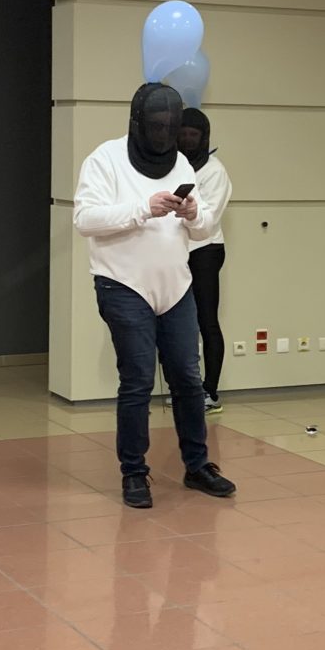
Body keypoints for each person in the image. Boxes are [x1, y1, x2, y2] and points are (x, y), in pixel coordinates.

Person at [74, 83, 236, 510]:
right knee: (138, 380)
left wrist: (193, 213)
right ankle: (133, 472)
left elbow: (203, 231)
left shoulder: (180, 162)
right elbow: (85, 219)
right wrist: (143, 207)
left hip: (176, 287)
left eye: (170, 125)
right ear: (138, 123)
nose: (163, 133)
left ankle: (197, 466)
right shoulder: (105, 159)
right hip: (123, 285)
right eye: (156, 125)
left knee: (187, 378)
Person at [177, 107, 232, 414]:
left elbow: (208, 219)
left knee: (206, 321)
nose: (187, 140)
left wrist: (183, 214)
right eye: (182, 134)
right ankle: (186, 389)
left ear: (204, 137)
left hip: (205, 251)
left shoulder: (214, 171)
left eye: (193, 135)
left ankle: (210, 392)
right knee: (179, 324)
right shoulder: (171, 166)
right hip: (175, 251)